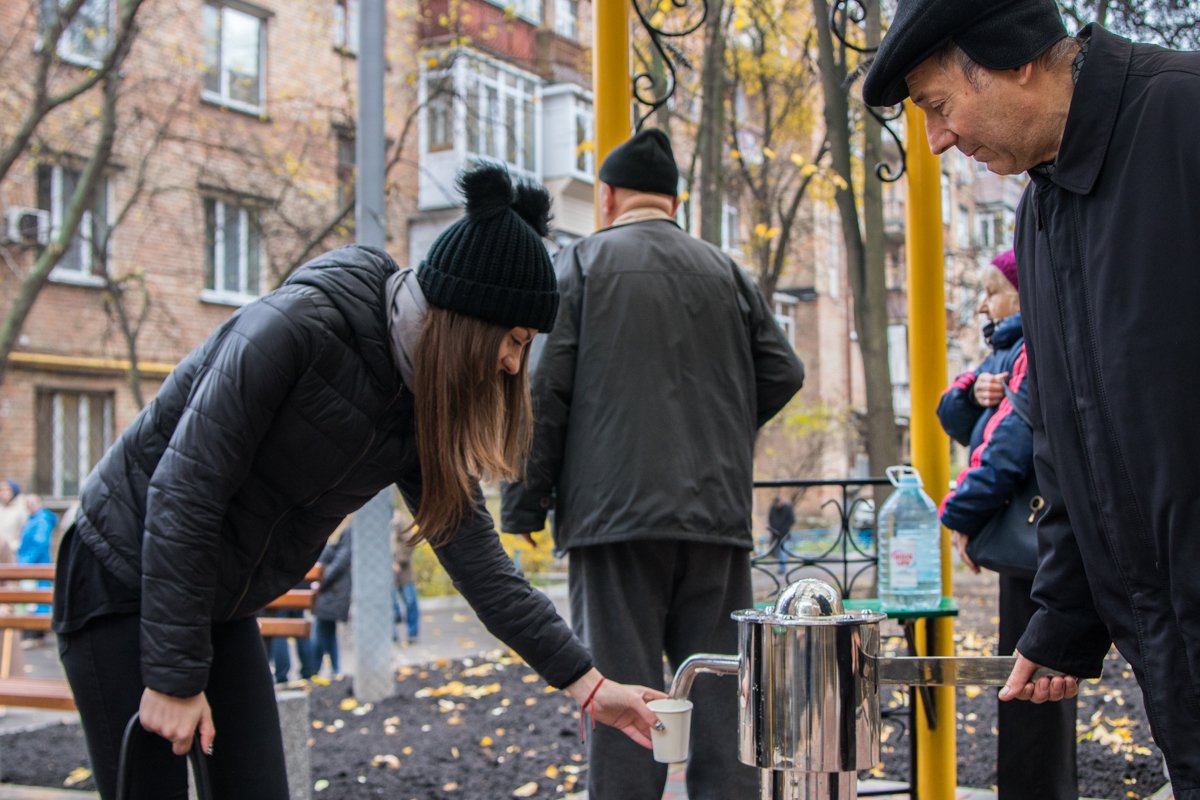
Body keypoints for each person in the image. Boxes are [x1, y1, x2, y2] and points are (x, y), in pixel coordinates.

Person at [50, 163, 665, 800]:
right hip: (117, 571)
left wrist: (592, 687)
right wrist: (175, 680)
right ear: (465, 322)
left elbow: (481, 566)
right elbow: (185, 491)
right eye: (512, 340)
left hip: (216, 598)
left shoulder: (419, 404)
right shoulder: (298, 328)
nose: (514, 364)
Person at [865, 0, 1200, 791]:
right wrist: (1063, 622)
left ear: (1014, 57)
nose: (939, 137)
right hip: (1170, 651)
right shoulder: (1040, 217)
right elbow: (1066, 437)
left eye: (940, 107)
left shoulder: (1184, 116)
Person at [501, 128, 805, 800]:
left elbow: (544, 393)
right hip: (715, 518)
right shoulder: (727, 272)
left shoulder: (580, 266)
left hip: (613, 522)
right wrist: (719, 429)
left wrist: (523, 504)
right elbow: (784, 370)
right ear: (676, 201)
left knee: (620, 702)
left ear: (606, 197)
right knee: (724, 697)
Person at [935, 251, 1076, 800]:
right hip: (1034, 537)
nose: (984, 304)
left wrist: (960, 517)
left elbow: (1008, 448)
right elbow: (956, 414)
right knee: (1029, 675)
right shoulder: (1006, 355)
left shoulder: (1030, 349)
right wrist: (972, 393)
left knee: (1029, 680)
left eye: (992, 292)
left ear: (1020, 292)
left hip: (1035, 538)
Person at [311, 524, 351, 677]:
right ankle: (332, 668)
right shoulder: (338, 531)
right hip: (331, 589)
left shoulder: (346, 531)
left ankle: (316, 669)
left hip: (333, 589)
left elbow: (341, 560)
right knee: (326, 629)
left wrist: (322, 581)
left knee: (321, 629)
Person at [392, 510, 420, 645]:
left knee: (410, 601)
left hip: (403, 570)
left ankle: (412, 634)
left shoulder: (398, 519)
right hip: (386, 572)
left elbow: (411, 540)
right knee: (389, 604)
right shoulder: (376, 520)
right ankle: (392, 636)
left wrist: (399, 560)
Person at [767, 495, 795, 575]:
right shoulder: (773, 509)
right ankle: (781, 567)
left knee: (783, 550)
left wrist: (784, 529)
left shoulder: (787, 508)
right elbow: (770, 520)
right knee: (779, 551)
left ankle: (782, 568)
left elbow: (791, 520)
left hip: (784, 534)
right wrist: (774, 530)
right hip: (776, 534)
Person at [0, 480, 26, 562]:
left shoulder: (21, 509)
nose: (3, 493)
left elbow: (24, 532)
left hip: (13, 553)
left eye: (7, 490)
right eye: (1, 490)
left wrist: (15, 546)